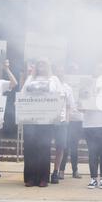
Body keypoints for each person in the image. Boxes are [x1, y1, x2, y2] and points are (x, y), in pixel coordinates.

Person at [21, 58, 64, 187]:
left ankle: (43, 178)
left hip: (46, 119)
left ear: (48, 66)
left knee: (43, 148)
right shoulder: (30, 79)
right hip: (30, 119)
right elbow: (22, 95)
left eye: (43, 65)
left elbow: (60, 96)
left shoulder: (54, 79)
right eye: (38, 65)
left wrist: (59, 116)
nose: (41, 67)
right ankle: (30, 178)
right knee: (29, 148)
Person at [50, 66, 73, 184]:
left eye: (62, 71)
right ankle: (44, 171)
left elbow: (69, 106)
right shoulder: (49, 85)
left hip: (62, 121)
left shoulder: (67, 88)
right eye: (57, 71)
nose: (60, 73)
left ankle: (55, 172)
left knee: (60, 147)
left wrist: (67, 120)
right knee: (45, 146)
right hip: (48, 121)